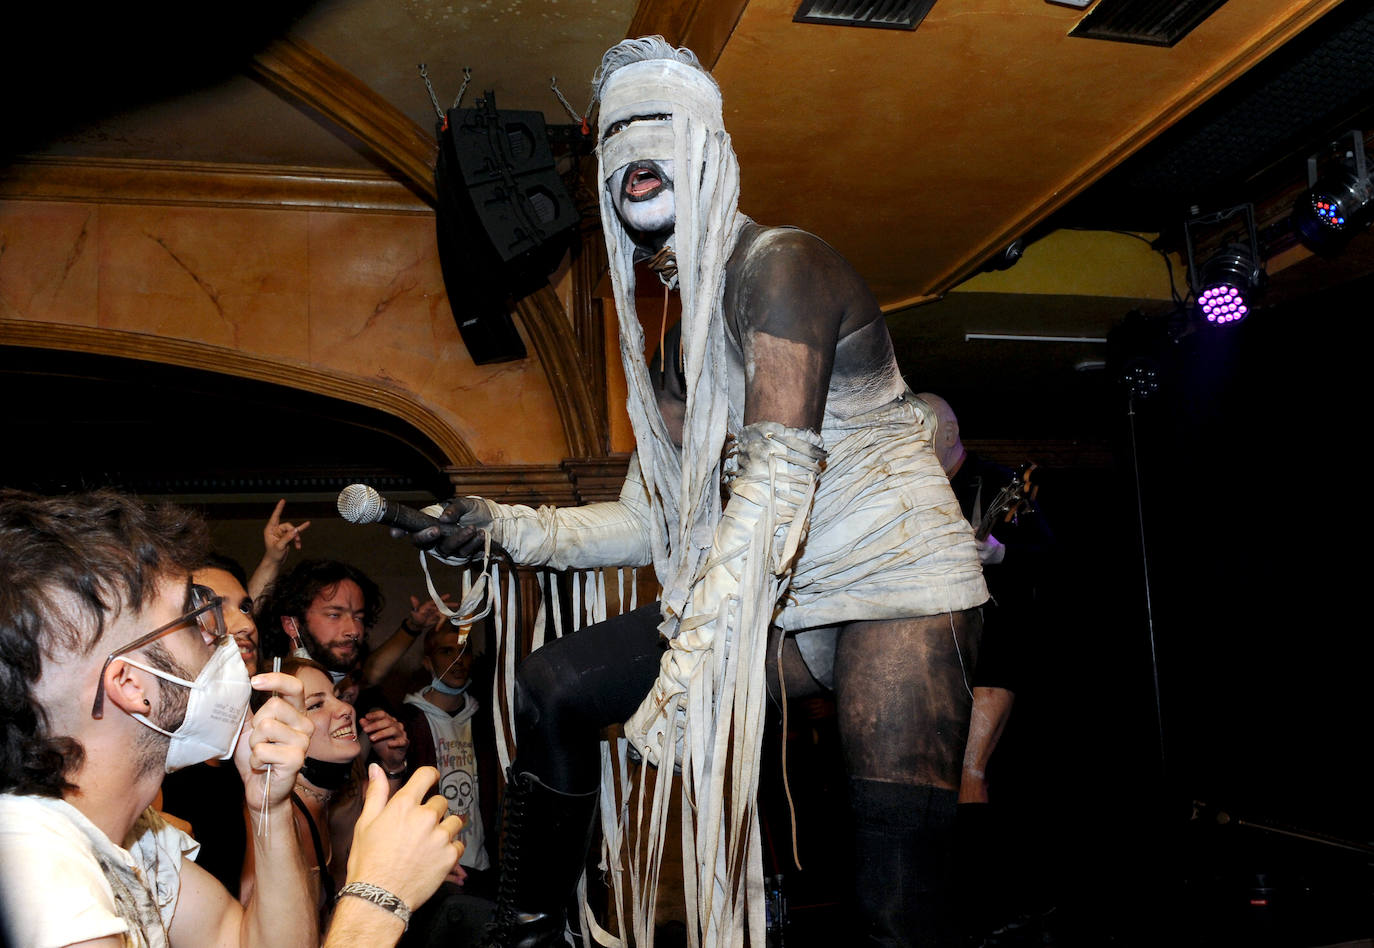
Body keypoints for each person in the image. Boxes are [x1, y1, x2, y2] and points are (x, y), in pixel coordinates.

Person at [395, 37, 988, 948]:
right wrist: (498, 528)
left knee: (894, 888)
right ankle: (530, 926)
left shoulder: (782, 266)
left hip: (893, 586)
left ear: (710, 150)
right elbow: (649, 518)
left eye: (660, 128)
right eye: (618, 134)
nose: (637, 154)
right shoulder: (676, 346)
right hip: (770, 593)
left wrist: (688, 667)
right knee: (556, 684)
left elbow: (778, 476)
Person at [0, 489, 460, 948]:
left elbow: (250, 942)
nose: (226, 638)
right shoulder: (34, 861)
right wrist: (376, 900)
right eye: (196, 617)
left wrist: (268, 806)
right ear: (131, 685)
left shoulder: (139, 839)